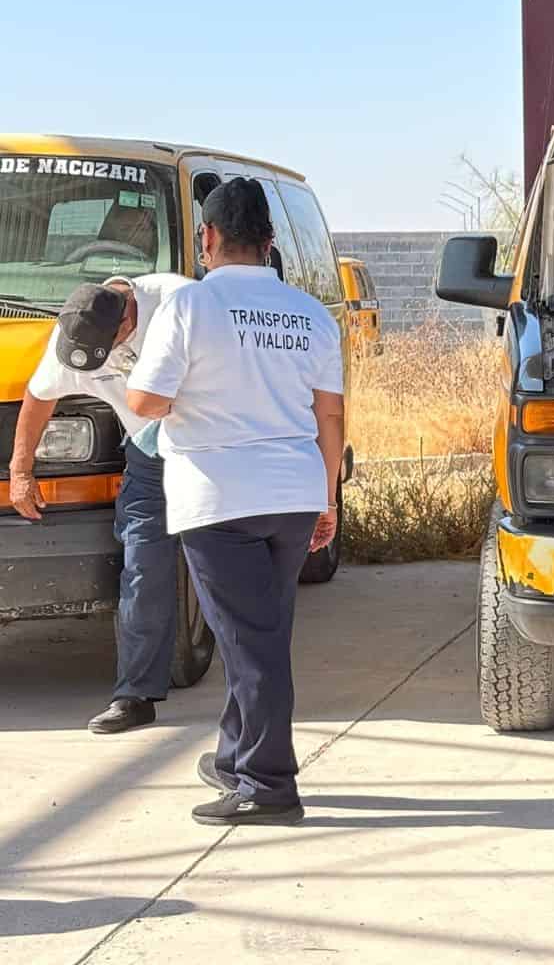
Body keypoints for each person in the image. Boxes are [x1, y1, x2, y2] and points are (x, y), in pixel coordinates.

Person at [126, 178, 344, 827]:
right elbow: (329, 414)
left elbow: (146, 403)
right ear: (270, 243)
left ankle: (267, 785)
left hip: (220, 498)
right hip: (293, 492)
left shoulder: (190, 307)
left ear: (209, 238)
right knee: (258, 632)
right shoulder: (310, 313)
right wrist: (326, 495)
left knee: (252, 644)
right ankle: (234, 758)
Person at [10, 273, 193, 733]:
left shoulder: (183, 304)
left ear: (128, 319)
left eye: (108, 353)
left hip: (214, 447)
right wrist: (20, 471)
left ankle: (253, 695)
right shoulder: (77, 329)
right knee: (143, 564)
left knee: (228, 562)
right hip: (150, 450)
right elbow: (38, 396)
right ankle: (134, 695)